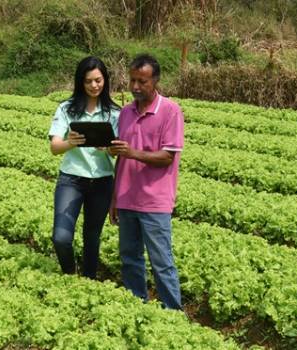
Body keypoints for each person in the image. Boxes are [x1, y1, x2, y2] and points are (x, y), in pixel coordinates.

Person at [108, 54, 184, 310]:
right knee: (129, 258)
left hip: (154, 201)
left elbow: (167, 156)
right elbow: (121, 157)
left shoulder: (171, 111)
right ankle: (137, 306)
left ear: (156, 81)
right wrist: (115, 197)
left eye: (142, 81)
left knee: (161, 261)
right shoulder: (126, 112)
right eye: (132, 80)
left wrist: (133, 153)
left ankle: (173, 314)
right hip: (127, 198)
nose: (136, 86)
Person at [48, 56, 121, 279]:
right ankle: (70, 273)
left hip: (102, 181)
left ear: (105, 81)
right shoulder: (67, 109)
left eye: (98, 80)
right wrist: (71, 142)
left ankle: (89, 279)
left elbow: (119, 151)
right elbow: (54, 147)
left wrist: (108, 147)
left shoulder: (115, 113)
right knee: (60, 236)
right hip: (72, 180)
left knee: (92, 236)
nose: (94, 85)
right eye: (88, 81)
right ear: (81, 82)